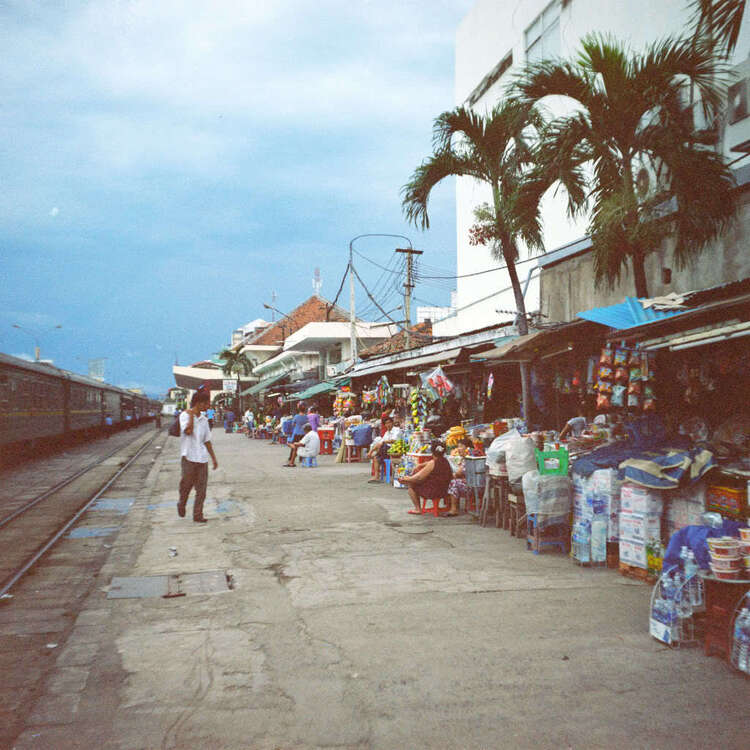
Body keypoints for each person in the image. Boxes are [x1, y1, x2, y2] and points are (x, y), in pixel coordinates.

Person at [178, 388, 218, 523]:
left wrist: (213, 458)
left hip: (201, 458)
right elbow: (188, 431)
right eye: (206, 404)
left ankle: (198, 514)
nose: (208, 406)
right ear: (199, 403)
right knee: (186, 486)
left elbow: (207, 441)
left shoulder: (204, 420)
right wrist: (190, 415)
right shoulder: (184, 416)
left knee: (202, 490)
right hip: (188, 457)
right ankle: (182, 503)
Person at [400, 440, 453, 515]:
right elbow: (429, 463)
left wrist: (407, 479)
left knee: (411, 485)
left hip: (434, 491)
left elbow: (419, 477)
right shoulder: (445, 461)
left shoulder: (433, 463)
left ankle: (418, 509)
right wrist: (421, 465)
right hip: (445, 489)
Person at [367, 416, 403, 483]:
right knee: (377, 454)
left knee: (381, 446)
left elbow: (394, 440)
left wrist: (384, 442)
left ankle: (374, 454)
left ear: (392, 423)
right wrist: (371, 451)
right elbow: (380, 442)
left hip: (395, 450)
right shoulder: (387, 433)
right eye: (386, 423)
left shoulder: (397, 430)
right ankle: (376, 476)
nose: (388, 425)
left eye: (389, 423)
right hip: (385, 450)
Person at [445, 437, 474, 517]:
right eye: (458, 446)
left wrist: (451, 476)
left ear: (467, 448)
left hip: (471, 486)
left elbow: (458, 473)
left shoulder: (468, 459)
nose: (458, 449)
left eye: (461, 446)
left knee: (453, 482)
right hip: (473, 484)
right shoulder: (467, 458)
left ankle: (454, 509)